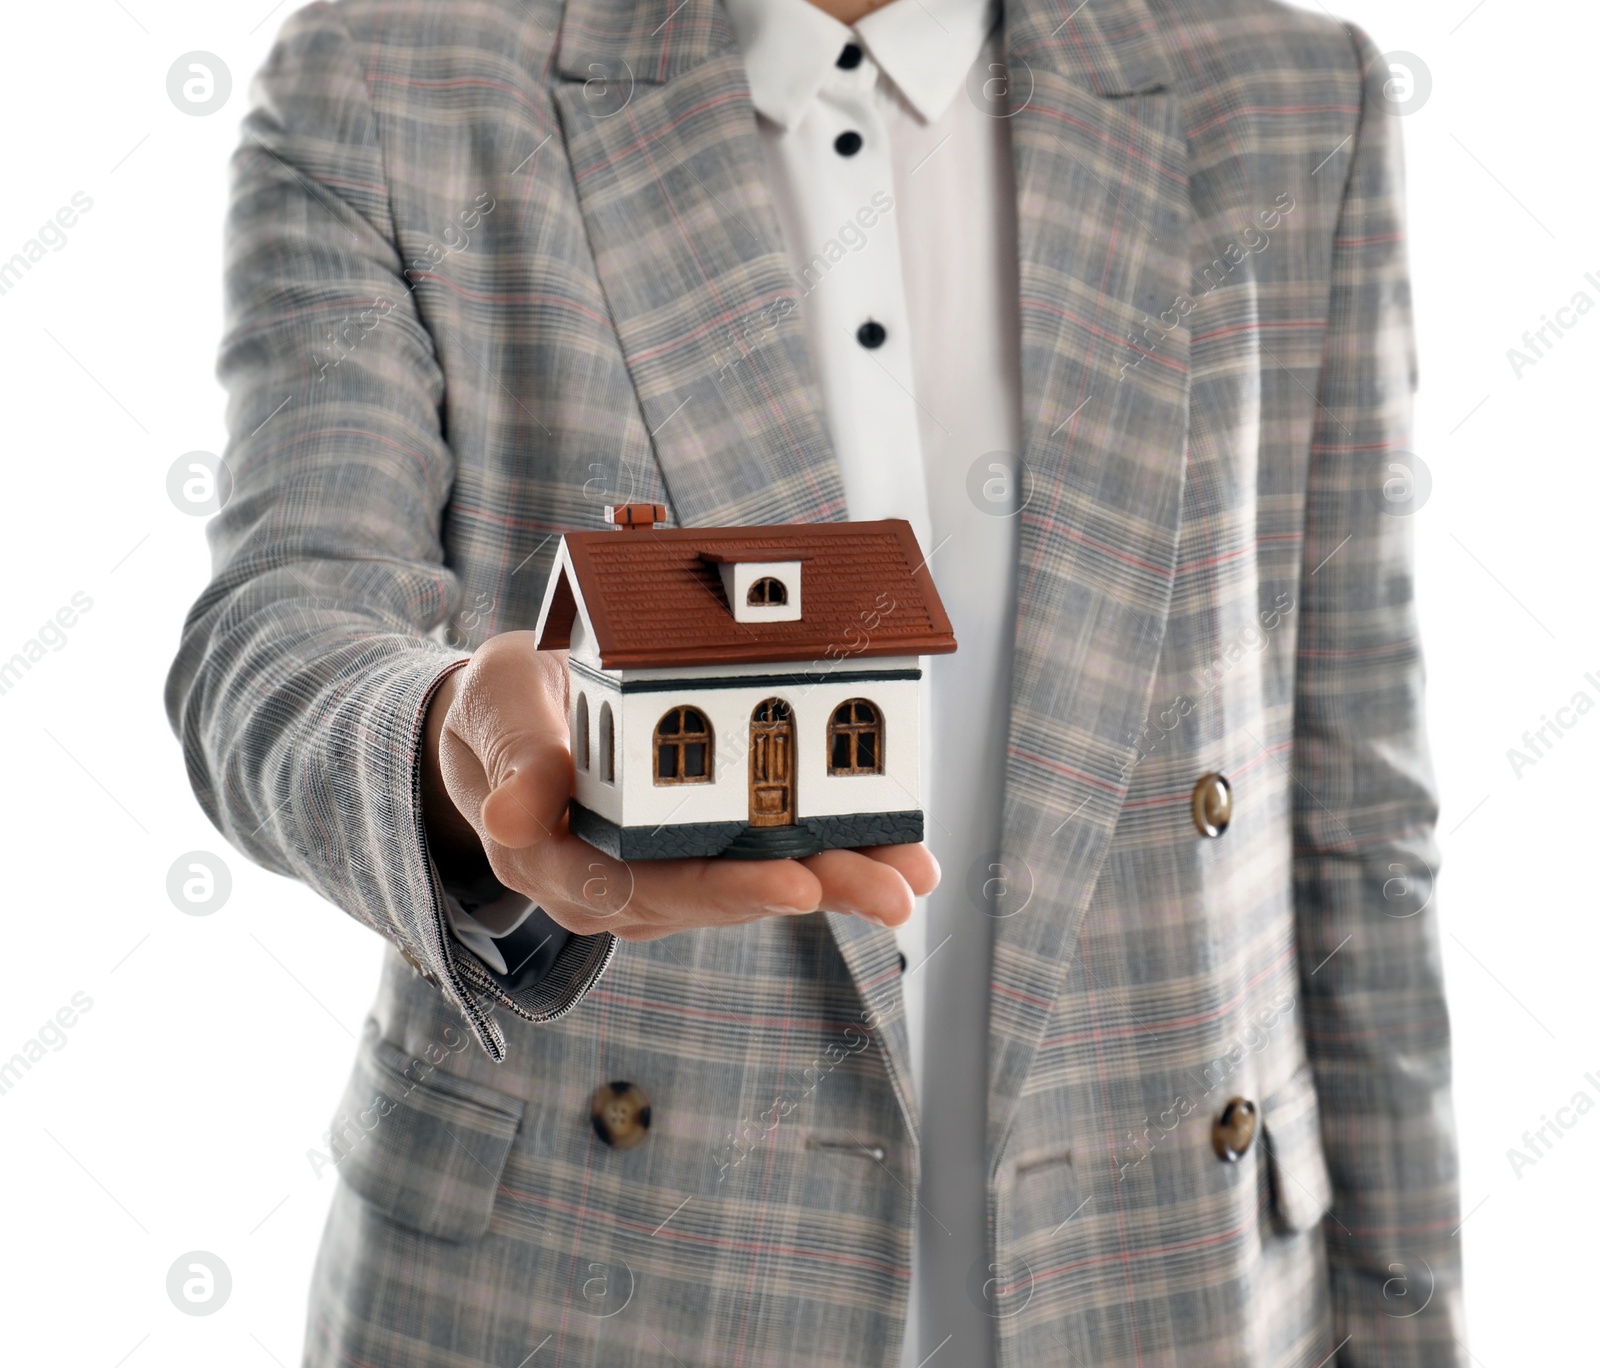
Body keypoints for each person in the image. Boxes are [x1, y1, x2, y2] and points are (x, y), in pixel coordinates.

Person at [166, 0, 1466, 1362]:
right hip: (570, 1284)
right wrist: (446, 750)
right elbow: (277, 628)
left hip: (1164, 1282)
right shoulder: (391, 74)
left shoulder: (1297, 98)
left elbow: (1357, 813)